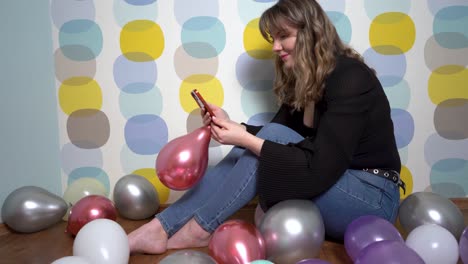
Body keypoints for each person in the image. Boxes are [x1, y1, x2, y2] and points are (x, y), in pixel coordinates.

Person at [128, 0, 403, 254]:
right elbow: (278, 135)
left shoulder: (350, 77)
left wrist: (246, 139)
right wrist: (233, 127)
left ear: (312, 33)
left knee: (255, 146)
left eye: (284, 36)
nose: (275, 47)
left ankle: (199, 229)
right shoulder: (305, 80)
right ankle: (159, 227)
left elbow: (319, 169)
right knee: (244, 150)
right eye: (274, 38)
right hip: (334, 183)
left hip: (371, 199)